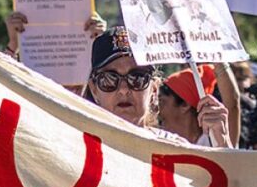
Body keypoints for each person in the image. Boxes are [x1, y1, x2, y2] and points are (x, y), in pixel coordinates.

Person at [86, 26, 233, 147]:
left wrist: (222, 142)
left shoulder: (175, 149)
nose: (124, 89)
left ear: (154, 90)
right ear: (94, 89)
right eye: (110, 79)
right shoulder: (77, 149)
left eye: (137, 78)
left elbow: (232, 182)